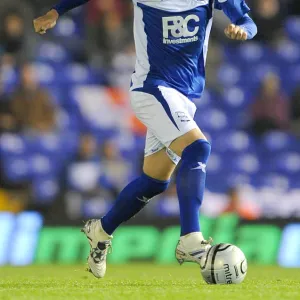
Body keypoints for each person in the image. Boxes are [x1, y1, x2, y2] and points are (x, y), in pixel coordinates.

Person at [33, 0, 257, 278]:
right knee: (198, 148)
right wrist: (56, 11)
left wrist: (244, 30)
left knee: (155, 182)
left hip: (183, 98)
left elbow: (249, 21)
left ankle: (100, 230)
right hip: (152, 89)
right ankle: (190, 239)